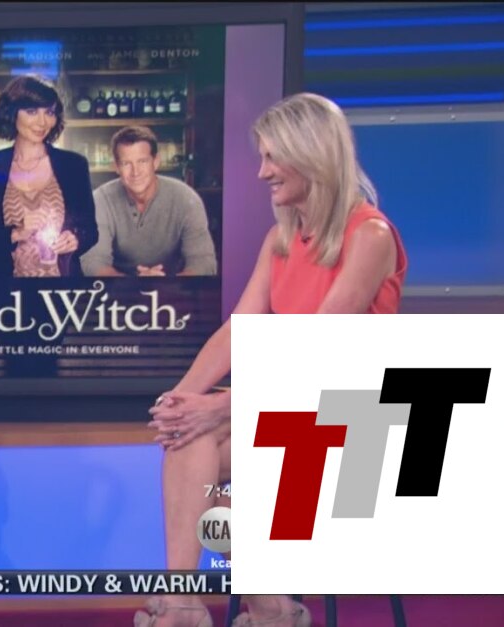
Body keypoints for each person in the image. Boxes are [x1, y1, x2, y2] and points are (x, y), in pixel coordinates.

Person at [134, 93, 408, 627]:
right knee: (189, 438)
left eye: (271, 157)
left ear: (312, 154)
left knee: (206, 440)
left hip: (359, 425)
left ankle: (263, 607)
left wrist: (223, 407)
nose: (261, 172)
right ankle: (199, 602)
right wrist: (179, 400)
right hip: (294, 412)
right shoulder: (281, 239)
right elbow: (237, 331)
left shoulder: (370, 235)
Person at [0, 74, 97, 278]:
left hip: (62, 290)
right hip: (6, 290)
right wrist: (15, 233)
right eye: (32, 111)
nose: (42, 122)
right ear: (12, 113)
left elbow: (91, 231)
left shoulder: (73, 165)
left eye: (49, 112)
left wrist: (76, 238)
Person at [80, 126, 217, 277]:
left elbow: (203, 262)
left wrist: (167, 285)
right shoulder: (100, 200)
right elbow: (93, 262)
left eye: (142, 161)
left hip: (175, 286)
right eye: (126, 163)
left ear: (156, 162)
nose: (135, 172)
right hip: (117, 287)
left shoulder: (186, 198)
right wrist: (133, 285)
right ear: (116, 167)